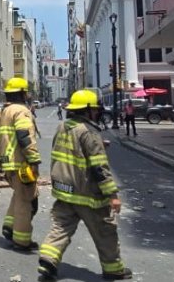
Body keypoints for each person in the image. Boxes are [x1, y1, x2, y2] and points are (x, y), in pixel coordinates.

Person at [38, 89, 132, 281]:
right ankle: (113, 269)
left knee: (60, 227)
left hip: (64, 189)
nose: (97, 113)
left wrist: (97, 144)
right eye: (95, 110)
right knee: (105, 231)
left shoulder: (63, 126)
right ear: (88, 110)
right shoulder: (89, 132)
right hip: (87, 194)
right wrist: (112, 195)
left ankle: (48, 259)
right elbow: (99, 168)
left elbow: (69, 152)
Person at [0, 77, 42, 251]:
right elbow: (24, 136)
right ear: (22, 93)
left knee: (20, 195)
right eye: (26, 92)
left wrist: (1, 160)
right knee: (26, 201)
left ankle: (9, 226)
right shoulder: (21, 111)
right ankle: (21, 241)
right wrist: (34, 160)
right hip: (21, 164)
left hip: (8, 164)